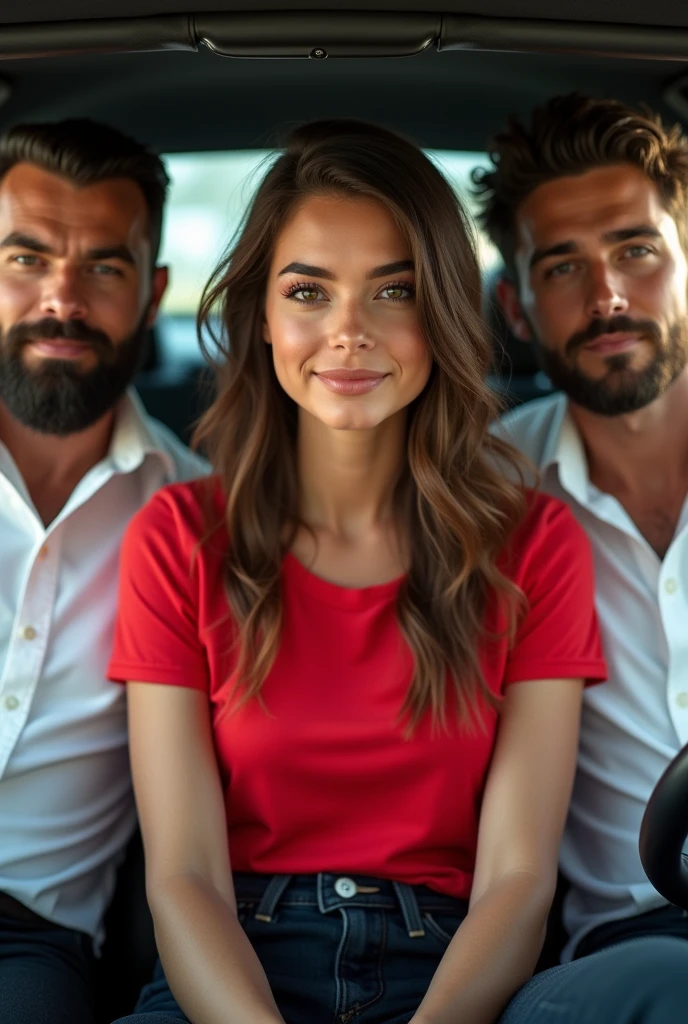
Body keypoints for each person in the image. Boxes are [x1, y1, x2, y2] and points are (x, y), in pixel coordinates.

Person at [108, 119, 604, 1024]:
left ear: (445, 311)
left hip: (455, 975)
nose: (348, 333)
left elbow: (520, 878)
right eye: (309, 291)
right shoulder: (176, 538)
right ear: (261, 315)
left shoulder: (536, 543)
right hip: (227, 974)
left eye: (394, 291)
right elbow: (181, 877)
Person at [474, 93, 688, 1021]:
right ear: (516, 308)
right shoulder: (480, 492)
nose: (607, 296)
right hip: (626, 949)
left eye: (636, 251)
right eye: (564, 266)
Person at [0, 119, 207, 1024]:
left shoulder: (199, 520)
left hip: (28, 944)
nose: (61, 299)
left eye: (104, 268)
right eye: (26, 258)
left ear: (153, 290)